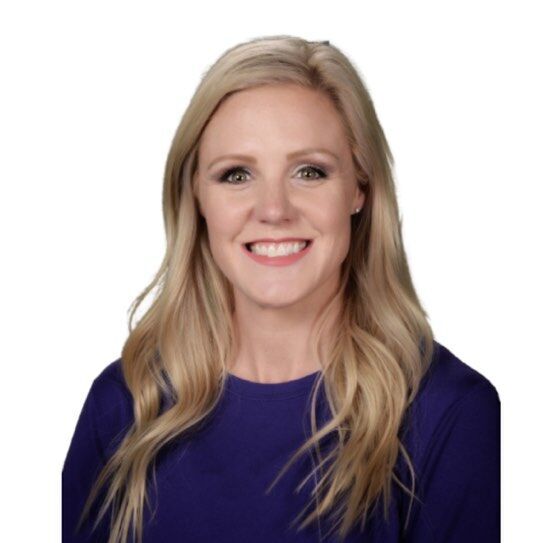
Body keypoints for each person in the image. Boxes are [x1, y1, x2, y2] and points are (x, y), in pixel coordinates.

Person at [62, 35, 500, 543]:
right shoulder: (124, 405)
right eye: (236, 174)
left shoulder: (449, 413)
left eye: (309, 172)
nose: (273, 209)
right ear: (196, 196)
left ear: (359, 187)